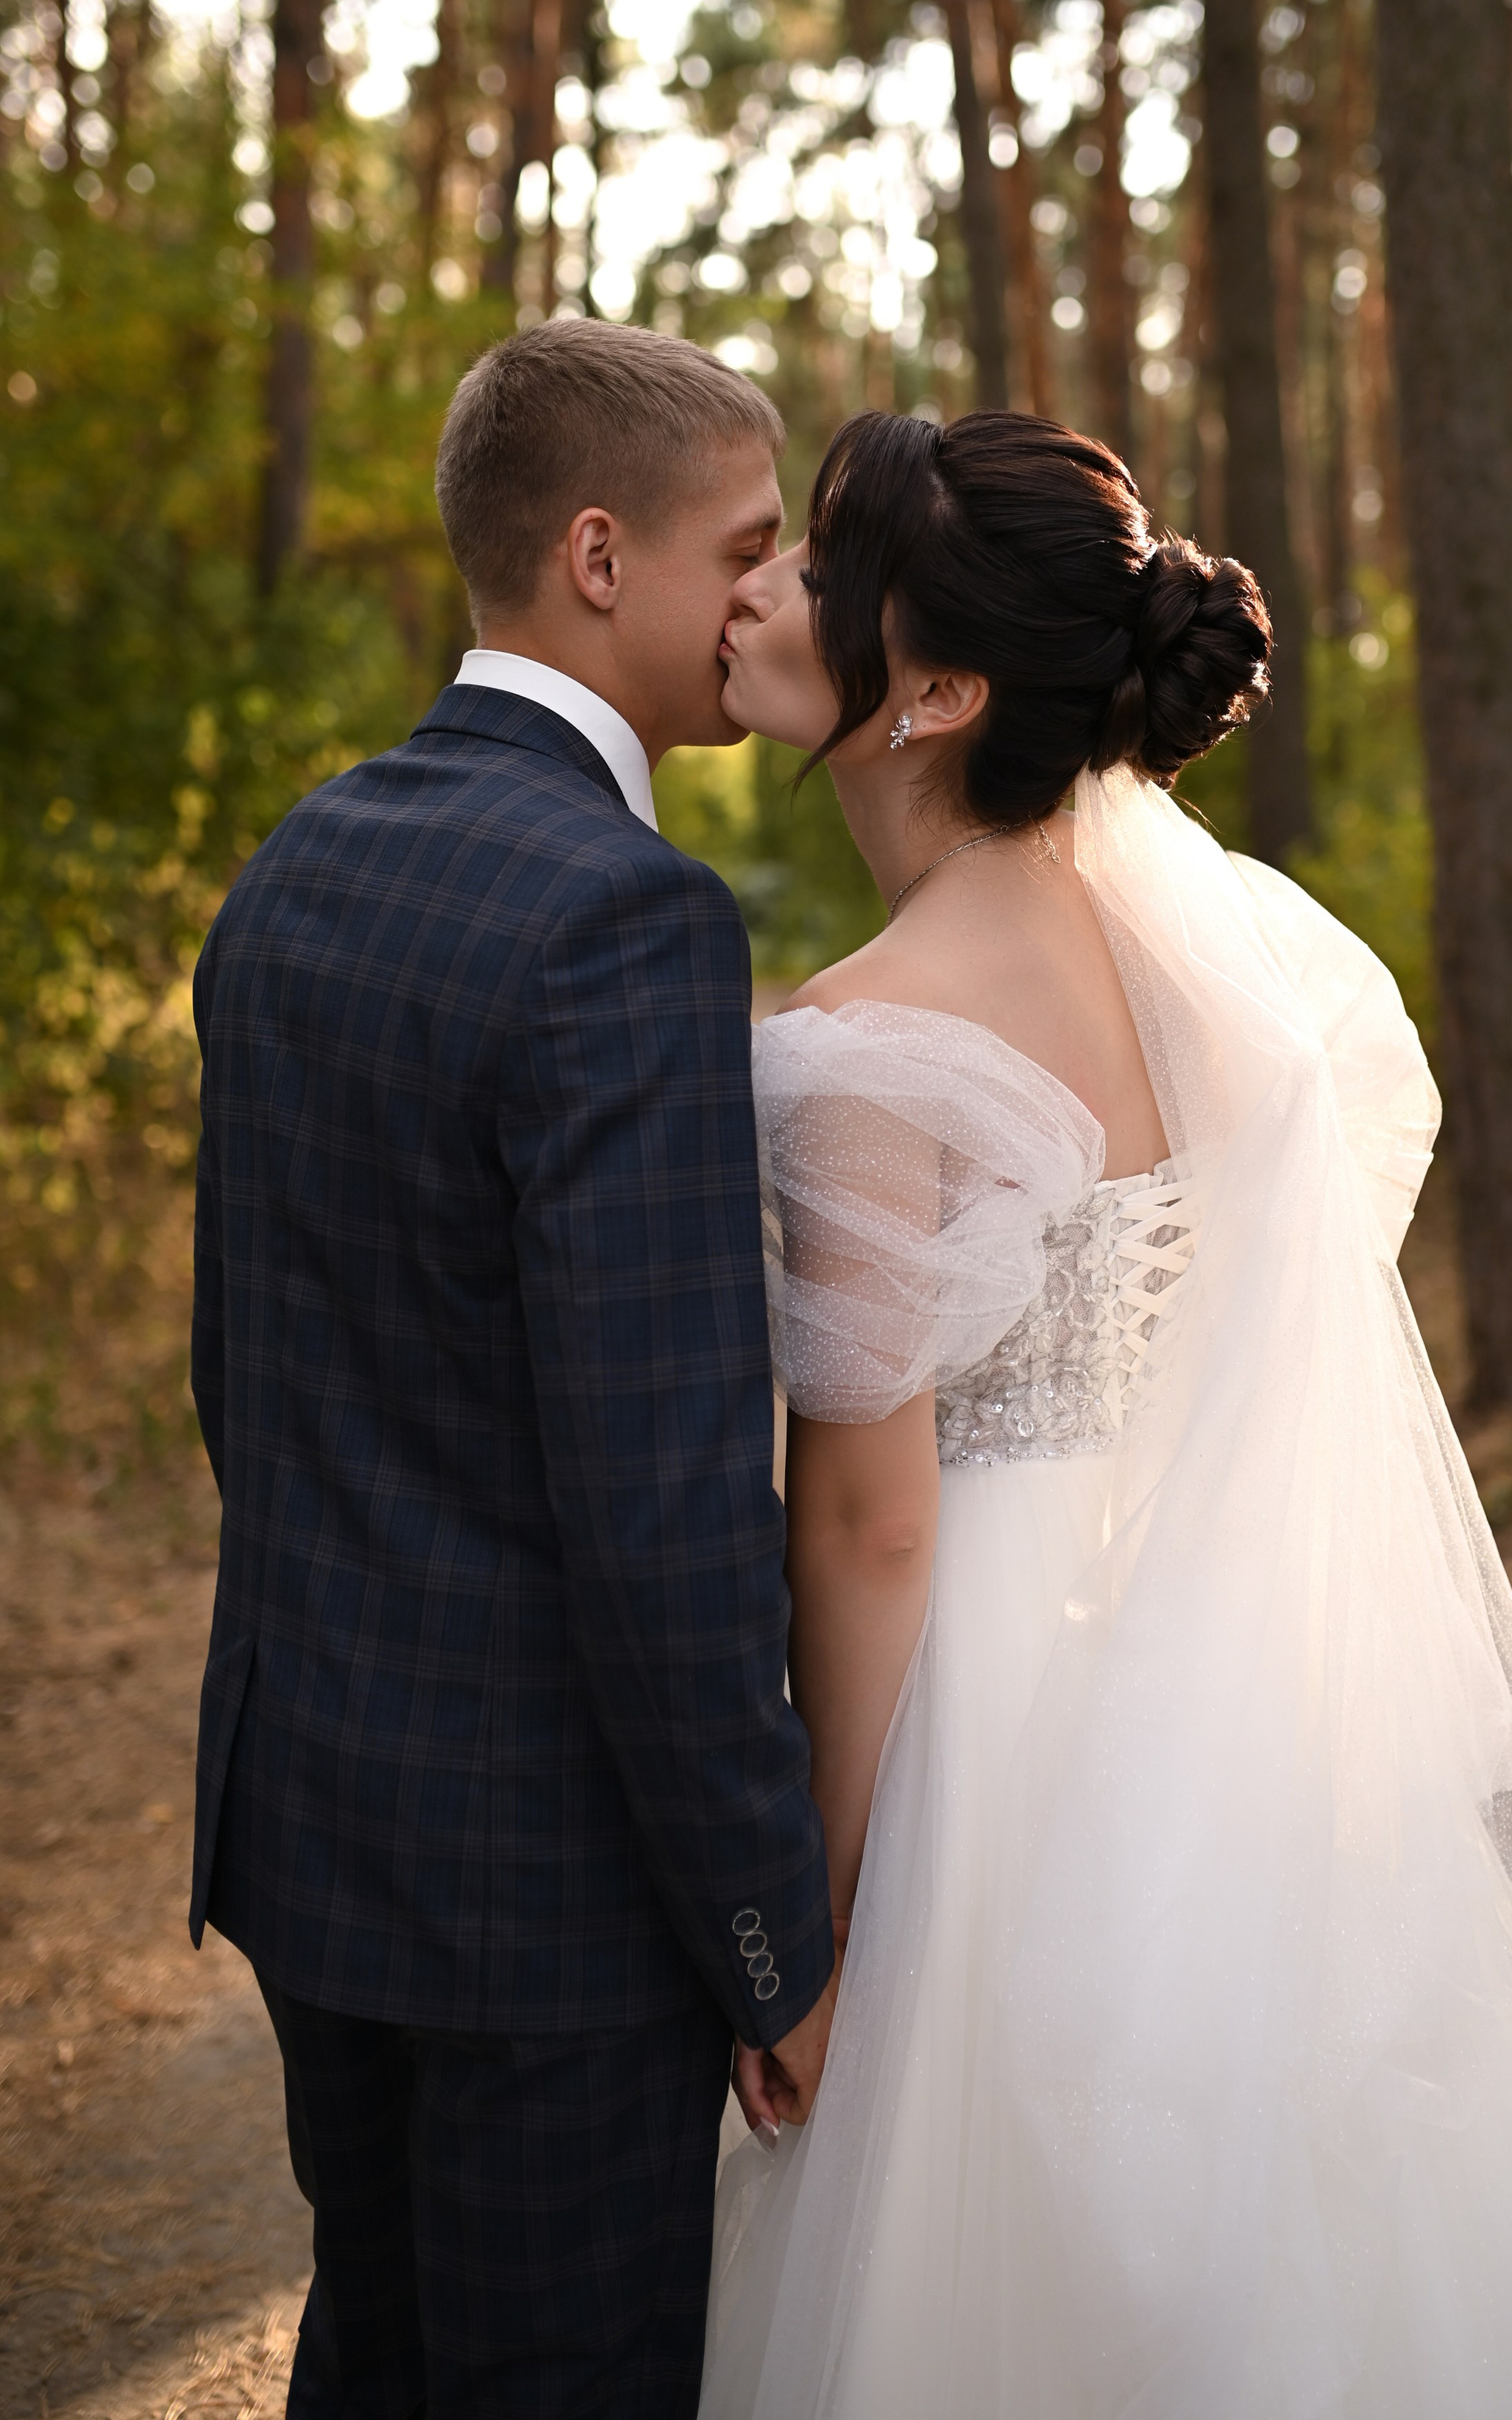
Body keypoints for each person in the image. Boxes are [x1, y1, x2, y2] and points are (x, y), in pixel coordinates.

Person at [701, 407, 1512, 2419]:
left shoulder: (856, 1042)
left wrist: (813, 1926)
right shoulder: (1202, 963)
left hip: (975, 1725)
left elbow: (870, 1525)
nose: (763, 587)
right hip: (1197, 1680)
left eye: (825, 571)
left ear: (935, 690)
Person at [188, 319, 837, 2419]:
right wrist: (770, 1934)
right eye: (743, 545)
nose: (769, 594)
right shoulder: (628, 918)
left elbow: (247, 1380)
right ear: (594, 555)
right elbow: (660, 1513)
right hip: (540, 1907)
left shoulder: (298, 865)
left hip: (314, 1833)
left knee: (376, 2355)